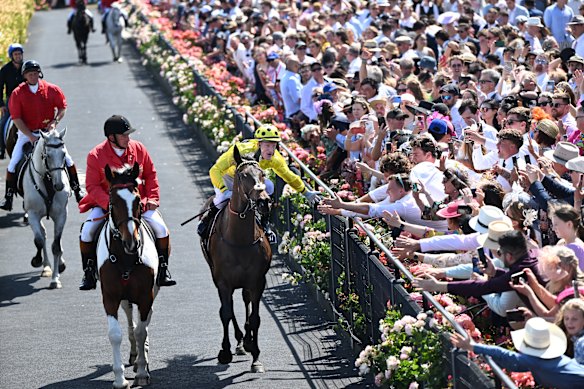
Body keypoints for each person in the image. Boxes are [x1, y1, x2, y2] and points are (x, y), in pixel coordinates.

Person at [78, 115, 176, 290]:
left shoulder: (138, 149)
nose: (128, 138)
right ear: (111, 138)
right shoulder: (95, 155)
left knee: (161, 229)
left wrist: (153, 197)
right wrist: (110, 204)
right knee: (87, 232)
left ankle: (163, 269)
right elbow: (92, 186)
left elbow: (151, 174)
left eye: (128, 134)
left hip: (138, 204)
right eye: (124, 135)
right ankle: (89, 272)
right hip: (107, 204)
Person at [198, 124, 322, 243]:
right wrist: (224, 189)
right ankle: (207, 218)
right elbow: (215, 170)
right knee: (223, 198)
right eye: (267, 145)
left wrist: (306, 193)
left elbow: (290, 176)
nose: (271, 150)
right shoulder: (242, 150)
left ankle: (265, 223)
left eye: (273, 145)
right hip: (228, 177)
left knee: (269, 186)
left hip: (251, 180)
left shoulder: (275, 159)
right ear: (259, 144)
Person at [0, 60, 85, 211]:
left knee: (68, 159)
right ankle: (9, 196)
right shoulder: (17, 93)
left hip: (48, 133)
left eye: (35, 73)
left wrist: (55, 121)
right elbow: (16, 119)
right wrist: (30, 136)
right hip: (27, 133)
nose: (33, 76)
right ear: (24, 76)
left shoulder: (51, 89)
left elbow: (62, 107)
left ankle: (77, 189)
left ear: (39, 73)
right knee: (13, 163)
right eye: (30, 74)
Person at [450, 317, 584, 388]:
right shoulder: (542, 360)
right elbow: (515, 364)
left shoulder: (534, 360)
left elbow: (504, 354)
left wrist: (473, 346)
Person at [0, 43, 24, 159]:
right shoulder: (5, 70)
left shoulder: (27, 67)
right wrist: (1, 105)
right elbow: (0, 88)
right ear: (11, 56)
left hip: (26, 100)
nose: (18, 56)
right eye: (16, 54)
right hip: (11, 101)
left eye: (20, 54)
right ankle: (1, 148)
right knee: (2, 122)